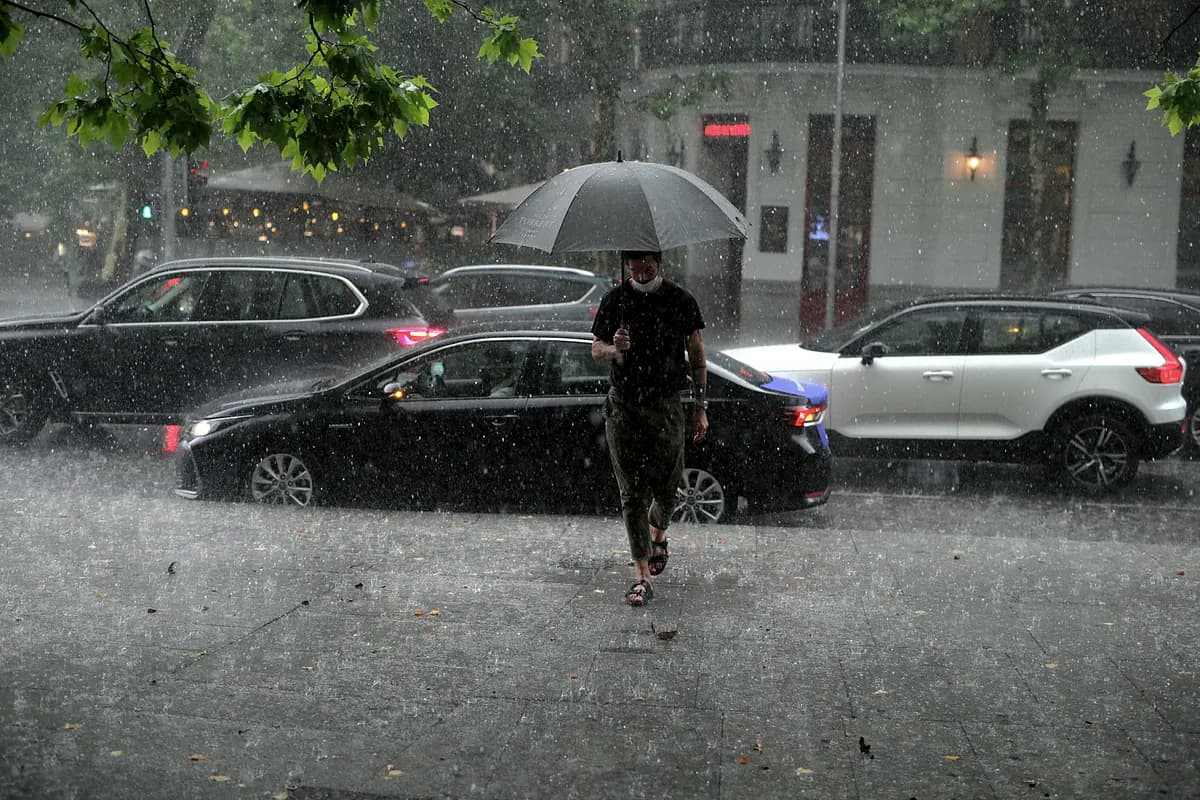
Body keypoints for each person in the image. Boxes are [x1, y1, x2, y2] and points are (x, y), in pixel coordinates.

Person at [591, 250, 709, 607]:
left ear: (660, 264)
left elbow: (698, 356)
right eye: (635, 268)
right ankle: (641, 576)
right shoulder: (615, 300)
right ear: (626, 265)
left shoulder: (680, 300)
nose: (641, 274)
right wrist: (615, 349)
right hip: (624, 405)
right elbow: (596, 348)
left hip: (666, 404)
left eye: (648, 268)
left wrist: (700, 407)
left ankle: (658, 535)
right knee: (632, 495)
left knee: (668, 489)